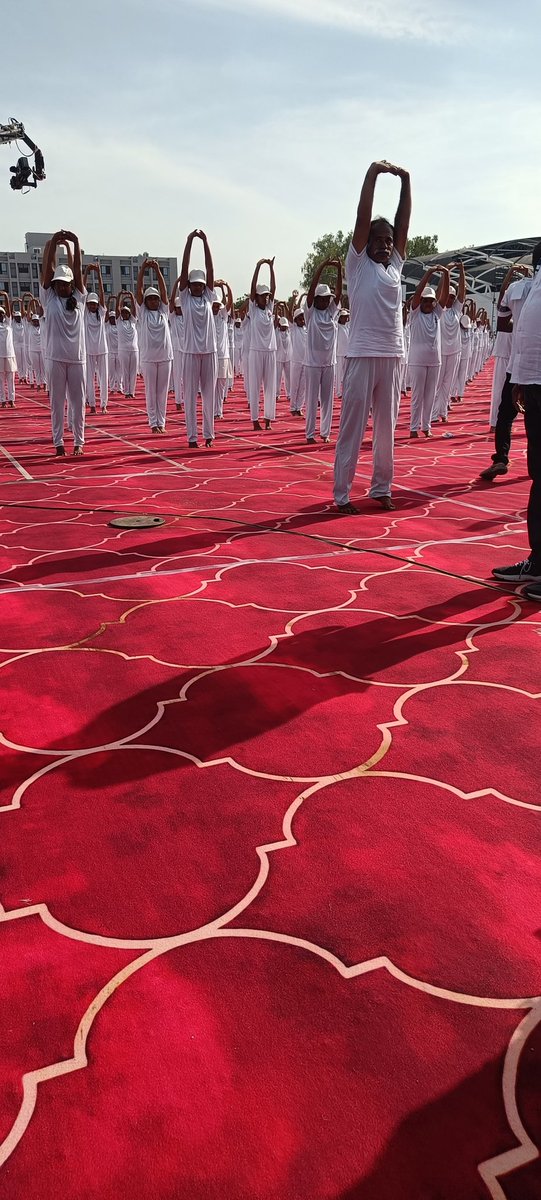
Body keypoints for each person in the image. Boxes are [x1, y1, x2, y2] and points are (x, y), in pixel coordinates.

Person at [333, 159, 411, 513]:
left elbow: (404, 224)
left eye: (388, 240)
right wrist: (372, 175)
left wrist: (406, 183)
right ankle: (342, 493)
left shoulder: (395, 266)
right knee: (352, 427)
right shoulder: (359, 264)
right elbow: (363, 217)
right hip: (362, 354)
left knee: (385, 429)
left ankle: (381, 487)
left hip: (392, 355)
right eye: (377, 240)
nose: (383, 245)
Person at [491, 261, 541, 594]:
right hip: (532, 382)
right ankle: (538, 562)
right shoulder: (533, 286)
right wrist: (520, 378)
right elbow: (526, 333)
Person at [478, 255, 540, 482]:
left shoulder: (515, 289)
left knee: (506, 413)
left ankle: (501, 458)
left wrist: (521, 319)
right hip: (535, 365)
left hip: (518, 362)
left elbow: (504, 323)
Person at [40, 229, 86, 456]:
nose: (61, 287)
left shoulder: (80, 299)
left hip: (77, 360)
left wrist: (75, 244)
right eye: (57, 284)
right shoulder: (49, 299)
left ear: (71, 284)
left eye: (65, 284)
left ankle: (79, 441)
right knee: (57, 404)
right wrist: (52, 245)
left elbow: (77, 270)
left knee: (78, 404)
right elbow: (46, 272)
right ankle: (58, 442)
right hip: (55, 358)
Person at [178, 229, 217, 448]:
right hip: (191, 352)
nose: (197, 287)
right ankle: (192, 437)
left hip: (209, 352)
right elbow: (184, 270)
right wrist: (190, 242)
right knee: (191, 397)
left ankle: (209, 435)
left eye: (200, 284)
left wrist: (205, 243)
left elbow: (210, 269)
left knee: (209, 397)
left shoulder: (209, 298)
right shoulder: (184, 299)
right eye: (194, 284)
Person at [407, 265, 449, 438]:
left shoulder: (436, 314)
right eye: (424, 301)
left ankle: (426, 426)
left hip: (434, 361)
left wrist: (446, 275)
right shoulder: (415, 314)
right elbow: (417, 293)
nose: (427, 304)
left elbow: (444, 297)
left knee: (430, 396)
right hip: (417, 361)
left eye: (430, 301)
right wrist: (429, 273)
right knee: (418, 395)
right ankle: (413, 427)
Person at [304, 259, 342, 444]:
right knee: (312, 401)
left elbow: (339, 293)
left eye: (328, 298)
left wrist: (340, 269)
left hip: (329, 363)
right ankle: (310, 433)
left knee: (328, 401)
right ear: (316, 300)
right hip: (312, 364)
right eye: (323, 298)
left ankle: (325, 432)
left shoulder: (332, 312)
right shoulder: (310, 313)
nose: (326, 301)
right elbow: (311, 291)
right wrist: (321, 267)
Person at [136, 258, 173, 434]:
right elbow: (139, 289)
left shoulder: (164, 312)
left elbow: (164, 291)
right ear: (145, 301)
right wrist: (143, 268)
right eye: (149, 299)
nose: (153, 301)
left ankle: (162, 421)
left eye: (155, 299)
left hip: (165, 357)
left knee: (162, 392)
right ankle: (153, 423)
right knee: (151, 392)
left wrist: (158, 271)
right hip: (149, 359)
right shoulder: (142, 313)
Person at [432, 262, 466, 422]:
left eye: (452, 297)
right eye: (449, 296)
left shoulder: (457, 311)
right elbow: (440, 291)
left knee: (447, 384)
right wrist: (446, 271)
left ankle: (443, 412)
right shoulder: (439, 310)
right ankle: (431, 415)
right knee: (437, 384)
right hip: (440, 352)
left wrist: (461, 271)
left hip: (455, 352)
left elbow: (462, 293)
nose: (451, 299)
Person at [247, 258, 277, 430]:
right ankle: (255, 420)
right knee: (255, 386)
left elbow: (274, 288)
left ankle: (267, 419)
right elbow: (252, 288)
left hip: (270, 351)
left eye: (267, 296)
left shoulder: (269, 309)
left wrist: (271, 268)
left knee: (270, 387)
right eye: (262, 295)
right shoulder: (253, 309)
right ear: (256, 297)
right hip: (256, 351)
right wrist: (258, 267)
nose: (266, 298)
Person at [83, 264, 109, 413]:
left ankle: (103, 405)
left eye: (94, 304)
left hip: (102, 350)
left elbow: (102, 292)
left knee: (103, 379)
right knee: (89, 380)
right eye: (90, 304)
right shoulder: (85, 313)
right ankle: (92, 405)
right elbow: (82, 290)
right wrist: (86, 272)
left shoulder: (101, 312)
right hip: (88, 351)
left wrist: (99, 274)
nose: (92, 306)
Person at [213, 280, 233, 419]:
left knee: (221, 385)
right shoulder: (207, 315)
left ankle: (218, 411)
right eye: (213, 305)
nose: (215, 307)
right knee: (211, 386)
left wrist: (226, 286)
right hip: (211, 355)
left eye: (217, 305)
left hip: (223, 356)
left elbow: (230, 302)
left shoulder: (223, 316)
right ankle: (211, 410)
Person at [116, 292, 138, 398]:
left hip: (134, 350)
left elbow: (134, 309)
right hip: (123, 350)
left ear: (129, 314)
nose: (124, 314)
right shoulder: (118, 322)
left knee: (133, 371)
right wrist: (120, 296)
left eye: (126, 312)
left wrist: (132, 297)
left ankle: (131, 392)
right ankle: (126, 392)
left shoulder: (133, 321)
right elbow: (117, 309)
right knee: (125, 371)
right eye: (123, 312)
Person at [169, 276, 185, 412]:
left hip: (187, 350)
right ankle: (178, 401)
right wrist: (176, 283)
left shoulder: (188, 316)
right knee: (177, 376)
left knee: (187, 377)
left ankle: (187, 399)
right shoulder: (173, 318)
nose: (180, 310)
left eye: (181, 307)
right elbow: (170, 303)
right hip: (176, 350)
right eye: (178, 308)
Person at [289, 305, 307, 417]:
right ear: (295, 320)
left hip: (306, 361)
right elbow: (289, 316)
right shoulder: (293, 328)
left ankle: (299, 407)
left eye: (303, 318)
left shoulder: (307, 329)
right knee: (295, 385)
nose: (302, 320)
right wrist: (294, 301)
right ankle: (292, 407)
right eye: (299, 318)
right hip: (295, 360)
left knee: (303, 386)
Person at [0, 292, 17, 408]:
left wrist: (5, 296)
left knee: (10, 378)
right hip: (0, 356)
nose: (0, 315)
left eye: (1, 313)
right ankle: (2, 400)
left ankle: (11, 399)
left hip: (10, 354)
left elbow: (9, 312)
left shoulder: (8, 323)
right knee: (0, 379)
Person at [26, 300, 46, 391]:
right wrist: (30, 304)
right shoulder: (30, 326)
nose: (35, 322)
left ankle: (45, 383)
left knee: (44, 368)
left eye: (36, 321)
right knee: (36, 368)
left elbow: (41, 313)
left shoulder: (42, 325)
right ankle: (38, 384)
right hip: (33, 350)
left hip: (42, 349)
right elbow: (28, 317)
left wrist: (39, 304)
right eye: (34, 321)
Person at [275, 307, 292, 404]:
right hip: (278, 358)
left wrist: (285, 306)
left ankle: (289, 394)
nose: (284, 327)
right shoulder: (276, 331)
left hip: (288, 358)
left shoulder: (288, 332)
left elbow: (288, 317)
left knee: (288, 377)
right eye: (283, 326)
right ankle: (276, 394)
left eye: (285, 326)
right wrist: (277, 307)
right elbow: (276, 321)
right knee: (277, 378)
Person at [105, 304, 121, 395]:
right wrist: (110, 301)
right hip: (110, 352)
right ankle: (111, 388)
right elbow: (105, 315)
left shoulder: (120, 325)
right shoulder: (107, 326)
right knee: (111, 372)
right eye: (111, 318)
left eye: (114, 318)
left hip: (119, 352)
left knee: (119, 371)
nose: (112, 319)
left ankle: (120, 387)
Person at [336, 308, 350, 398]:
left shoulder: (347, 327)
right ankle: (338, 392)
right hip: (338, 353)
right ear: (340, 318)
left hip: (346, 353)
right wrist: (339, 311)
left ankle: (345, 391)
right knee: (338, 374)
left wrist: (348, 311)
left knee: (346, 374)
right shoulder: (337, 326)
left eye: (346, 317)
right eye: (343, 317)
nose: (345, 319)